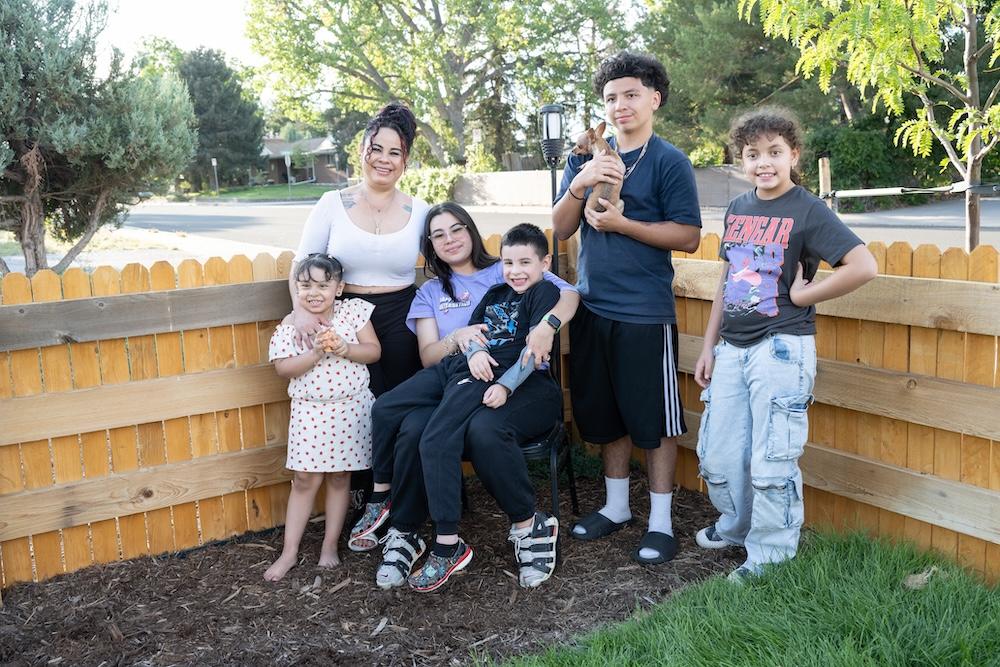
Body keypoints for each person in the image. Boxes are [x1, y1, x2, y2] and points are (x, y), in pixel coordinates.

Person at [692, 107, 877, 582]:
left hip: (782, 347)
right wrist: (710, 345)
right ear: (741, 160)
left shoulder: (808, 209)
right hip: (732, 349)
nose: (763, 163)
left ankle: (770, 558)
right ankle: (737, 527)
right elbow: (728, 279)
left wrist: (803, 294)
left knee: (772, 457)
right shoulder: (738, 208)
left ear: (794, 154)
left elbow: (863, 266)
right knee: (718, 453)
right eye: (752, 154)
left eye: (774, 152)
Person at [352, 208, 579, 591]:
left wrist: (547, 327)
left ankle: (467, 538)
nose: (450, 238)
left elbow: (569, 295)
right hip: (459, 369)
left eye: (457, 229)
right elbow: (452, 343)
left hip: (508, 378)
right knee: (393, 412)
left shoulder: (532, 284)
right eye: (439, 235)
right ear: (430, 247)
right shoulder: (479, 290)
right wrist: (467, 345)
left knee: (449, 433)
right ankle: (390, 508)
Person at [552, 51, 702, 564]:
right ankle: (616, 507)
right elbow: (561, 227)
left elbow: (689, 236)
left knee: (653, 421)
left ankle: (660, 522)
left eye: (631, 94)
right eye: (612, 97)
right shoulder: (586, 157)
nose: (621, 105)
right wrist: (580, 180)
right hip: (592, 308)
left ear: (654, 98)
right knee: (607, 414)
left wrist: (624, 225)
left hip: (644, 311)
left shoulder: (668, 161)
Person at [291, 103, 430, 397]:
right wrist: (300, 311)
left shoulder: (420, 211)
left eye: (395, 153)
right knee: (355, 406)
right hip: (344, 318)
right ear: (361, 151)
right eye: (376, 149)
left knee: (400, 403)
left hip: (402, 319)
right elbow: (300, 263)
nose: (384, 159)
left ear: (405, 160)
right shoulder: (331, 204)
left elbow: (448, 263)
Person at [263, 254, 382, 581]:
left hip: (349, 408)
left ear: (339, 287)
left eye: (322, 285)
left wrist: (344, 348)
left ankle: (329, 546)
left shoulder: (352, 314)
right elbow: (283, 368)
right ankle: (289, 552)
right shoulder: (292, 324)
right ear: (296, 288)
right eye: (305, 286)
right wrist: (315, 353)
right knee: (304, 479)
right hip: (310, 412)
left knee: (340, 477)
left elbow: (373, 351)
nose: (313, 292)